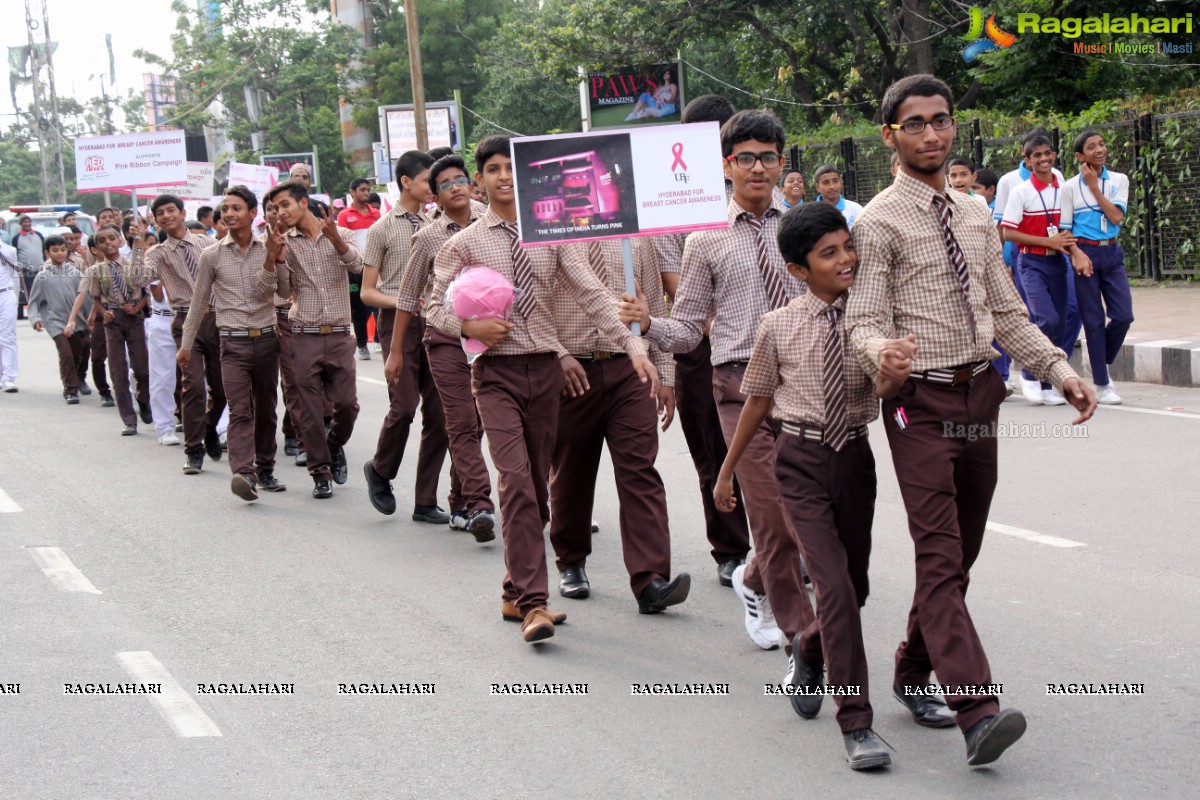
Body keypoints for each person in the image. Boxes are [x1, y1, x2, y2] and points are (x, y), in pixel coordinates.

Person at [846, 73, 1096, 767]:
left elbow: (1009, 312)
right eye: (916, 123)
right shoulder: (877, 222)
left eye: (941, 120)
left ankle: (910, 667)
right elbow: (862, 321)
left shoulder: (977, 213)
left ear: (954, 126)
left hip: (978, 393)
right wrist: (881, 354)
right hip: (914, 401)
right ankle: (978, 710)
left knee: (965, 550)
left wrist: (1060, 370)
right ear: (890, 135)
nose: (932, 133)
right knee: (940, 552)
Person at [425, 135, 659, 644]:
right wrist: (470, 330)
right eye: (491, 169)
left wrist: (634, 344)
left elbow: (593, 294)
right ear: (480, 180)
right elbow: (432, 306)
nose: (504, 177)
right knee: (514, 482)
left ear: (528, 177)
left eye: (512, 169)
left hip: (546, 372)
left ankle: (514, 589)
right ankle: (535, 604)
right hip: (496, 375)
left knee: (534, 486)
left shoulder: (553, 234)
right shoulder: (463, 243)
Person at [620, 109, 816, 666]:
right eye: (746, 158)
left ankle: (753, 579)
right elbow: (686, 330)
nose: (759, 168)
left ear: (782, 162)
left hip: (806, 386)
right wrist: (647, 322)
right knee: (772, 512)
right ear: (726, 165)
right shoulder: (704, 239)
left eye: (769, 156)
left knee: (808, 511)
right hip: (737, 385)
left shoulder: (805, 227)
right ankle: (800, 637)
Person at [716, 201, 901, 770]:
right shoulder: (778, 325)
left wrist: (893, 378)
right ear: (799, 269)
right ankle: (858, 722)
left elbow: (890, 394)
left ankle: (809, 644)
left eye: (848, 247)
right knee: (835, 590)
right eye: (829, 254)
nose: (846, 260)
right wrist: (728, 470)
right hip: (797, 460)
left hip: (855, 459)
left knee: (857, 588)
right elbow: (759, 400)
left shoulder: (874, 321)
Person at [548, 236, 689, 611]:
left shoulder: (635, 240)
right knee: (572, 471)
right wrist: (558, 355)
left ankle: (651, 580)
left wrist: (667, 374)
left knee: (640, 469)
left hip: (631, 368)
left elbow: (652, 306)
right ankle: (572, 561)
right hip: (573, 370)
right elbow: (535, 306)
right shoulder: (552, 238)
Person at [646, 93, 752, 588]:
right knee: (713, 452)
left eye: (724, 142)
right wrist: (717, 326)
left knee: (783, 450)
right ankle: (730, 549)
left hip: (764, 343)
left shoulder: (759, 195)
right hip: (701, 347)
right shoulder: (672, 202)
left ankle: (785, 545)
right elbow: (675, 284)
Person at [388, 154, 493, 539]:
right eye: (445, 184)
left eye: (460, 179)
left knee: (480, 422)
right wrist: (396, 352)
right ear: (434, 196)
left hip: (489, 336)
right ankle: (480, 503)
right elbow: (406, 296)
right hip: (445, 338)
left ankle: (460, 502)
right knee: (461, 421)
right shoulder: (428, 237)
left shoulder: (491, 220)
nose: (455, 187)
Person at [359, 150, 452, 522]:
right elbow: (367, 292)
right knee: (404, 406)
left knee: (440, 413)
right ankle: (380, 470)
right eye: (431, 180)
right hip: (397, 323)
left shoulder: (439, 224)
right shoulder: (382, 228)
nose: (436, 188)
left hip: (438, 322)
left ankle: (425, 500)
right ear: (406, 182)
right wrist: (406, 300)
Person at [180, 185, 285, 502]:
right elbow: (198, 303)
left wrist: (273, 259)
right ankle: (244, 473)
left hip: (267, 339)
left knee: (266, 410)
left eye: (236, 208)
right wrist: (186, 345)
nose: (229, 213)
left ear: (253, 213)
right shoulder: (211, 255)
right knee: (240, 411)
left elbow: (282, 290)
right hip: (232, 343)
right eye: (224, 208)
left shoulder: (271, 245)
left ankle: (265, 469)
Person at [266, 179, 362, 499]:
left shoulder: (340, 233)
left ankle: (334, 447)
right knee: (308, 412)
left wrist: (336, 240)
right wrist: (277, 260)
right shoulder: (285, 243)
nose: (280, 213)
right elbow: (281, 292)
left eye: (285, 205)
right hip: (303, 335)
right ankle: (320, 473)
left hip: (338, 335)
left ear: (303, 203)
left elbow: (358, 266)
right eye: (276, 208)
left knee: (347, 406)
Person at [132, 194, 225, 474]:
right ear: (156, 219)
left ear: (182, 212)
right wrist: (138, 245)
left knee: (222, 389)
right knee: (193, 385)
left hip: (217, 319)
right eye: (160, 212)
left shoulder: (208, 243)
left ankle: (209, 428)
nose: (166, 215)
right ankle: (193, 449)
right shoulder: (157, 253)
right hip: (185, 322)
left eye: (170, 210)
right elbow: (137, 280)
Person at [999, 134, 1092, 407]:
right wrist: (1047, 242)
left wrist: (1074, 252)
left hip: (1058, 261)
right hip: (1031, 263)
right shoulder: (1021, 192)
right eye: (1037, 155)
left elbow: (1066, 227)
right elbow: (1008, 232)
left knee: (1062, 321)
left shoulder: (1063, 188)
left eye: (1047, 153)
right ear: (1027, 161)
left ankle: (1050, 383)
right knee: (1046, 318)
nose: (1043, 159)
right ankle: (1029, 372)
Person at [1061, 129, 1133, 405]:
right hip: (1085, 255)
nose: (1099, 149)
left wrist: (1094, 186)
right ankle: (1102, 384)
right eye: (1092, 147)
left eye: (1102, 144)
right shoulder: (1069, 188)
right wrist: (1076, 253)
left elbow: (1116, 216)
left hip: (1112, 253)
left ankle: (1099, 360)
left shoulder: (1118, 180)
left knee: (1123, 315)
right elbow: (1065, 231)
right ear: (1080, 156)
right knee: (1092, 321)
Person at [72, 225, 152, 435]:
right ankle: (128, 419)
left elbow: (146, 292)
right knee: (118, 370)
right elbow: (96, 297)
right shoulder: (95, 271)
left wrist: (136, 307)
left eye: (112, 238)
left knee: (142, 368)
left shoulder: (132, 264)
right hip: (112, 320)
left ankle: (143, 398)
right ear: (96, 248)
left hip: (134, 318)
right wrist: (102, 312)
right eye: (102, 241)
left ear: (120, 241)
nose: (108, 243)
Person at [28, 234, 90, 403]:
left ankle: (78, 378)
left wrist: (90, 316)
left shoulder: (76, 273)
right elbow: (33, 302)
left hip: (76, 321)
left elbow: (86, 296)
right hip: (55, 322)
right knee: (66, 354)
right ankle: (70, 389)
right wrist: (35, 319)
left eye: (62, 249)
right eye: (55, 250)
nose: (60, 253)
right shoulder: (43, 276)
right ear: (47, 253)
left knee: (78, 353)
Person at [337, 177, 382, 360]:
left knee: (378, 306)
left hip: (375, 267)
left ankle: (379, 339)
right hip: (354, 269)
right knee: (358, 307)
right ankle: (362, 344)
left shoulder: (376, 215)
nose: (366, 193)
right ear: (352, 192)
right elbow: (342, 242)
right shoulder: (344, 216)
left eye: (367, 190)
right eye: (362, 190)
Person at [0, 239, 21, 392]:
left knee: (7, 336)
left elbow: (15, 275)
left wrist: (15, 298)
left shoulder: (9, 250)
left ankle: (9, 377)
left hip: (6, 294)